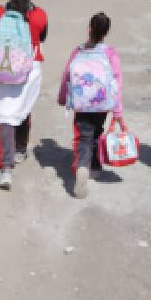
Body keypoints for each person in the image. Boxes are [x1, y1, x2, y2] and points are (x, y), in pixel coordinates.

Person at [0, 0, 48, 190]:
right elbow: (43, 37)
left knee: (4, 117)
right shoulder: (38, 16)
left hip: (2, 69)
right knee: (22, 110)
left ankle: (6, 168)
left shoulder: (0, 13)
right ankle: (20, 148)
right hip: (28, 70)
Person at [56, 12, 123, 199]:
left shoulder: (78, 51)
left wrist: (63, 98)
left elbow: (66, 76)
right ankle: (94, 165)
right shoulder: (110, 53)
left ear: (89, 29)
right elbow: (116, 81)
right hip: (102, 104)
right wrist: (117, 110)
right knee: (97, 131)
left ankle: (82, 169)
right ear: (106, 32)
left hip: (82, 103)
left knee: (83, 137)